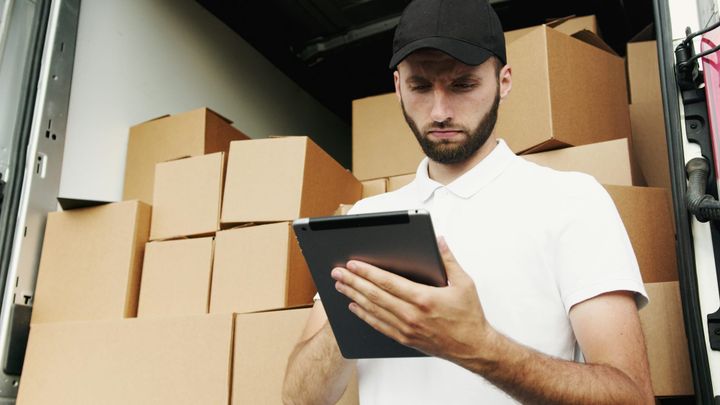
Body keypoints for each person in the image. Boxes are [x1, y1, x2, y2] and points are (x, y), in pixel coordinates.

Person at [282, 0, 655, 403]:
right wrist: (357, 312)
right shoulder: (367, 217)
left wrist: (479, 346)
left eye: (463, 84)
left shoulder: (572, 201)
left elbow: (632, 396)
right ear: (397, 87)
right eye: (420, 86)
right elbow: (298, 399)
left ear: (504, 81)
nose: (440, 112)